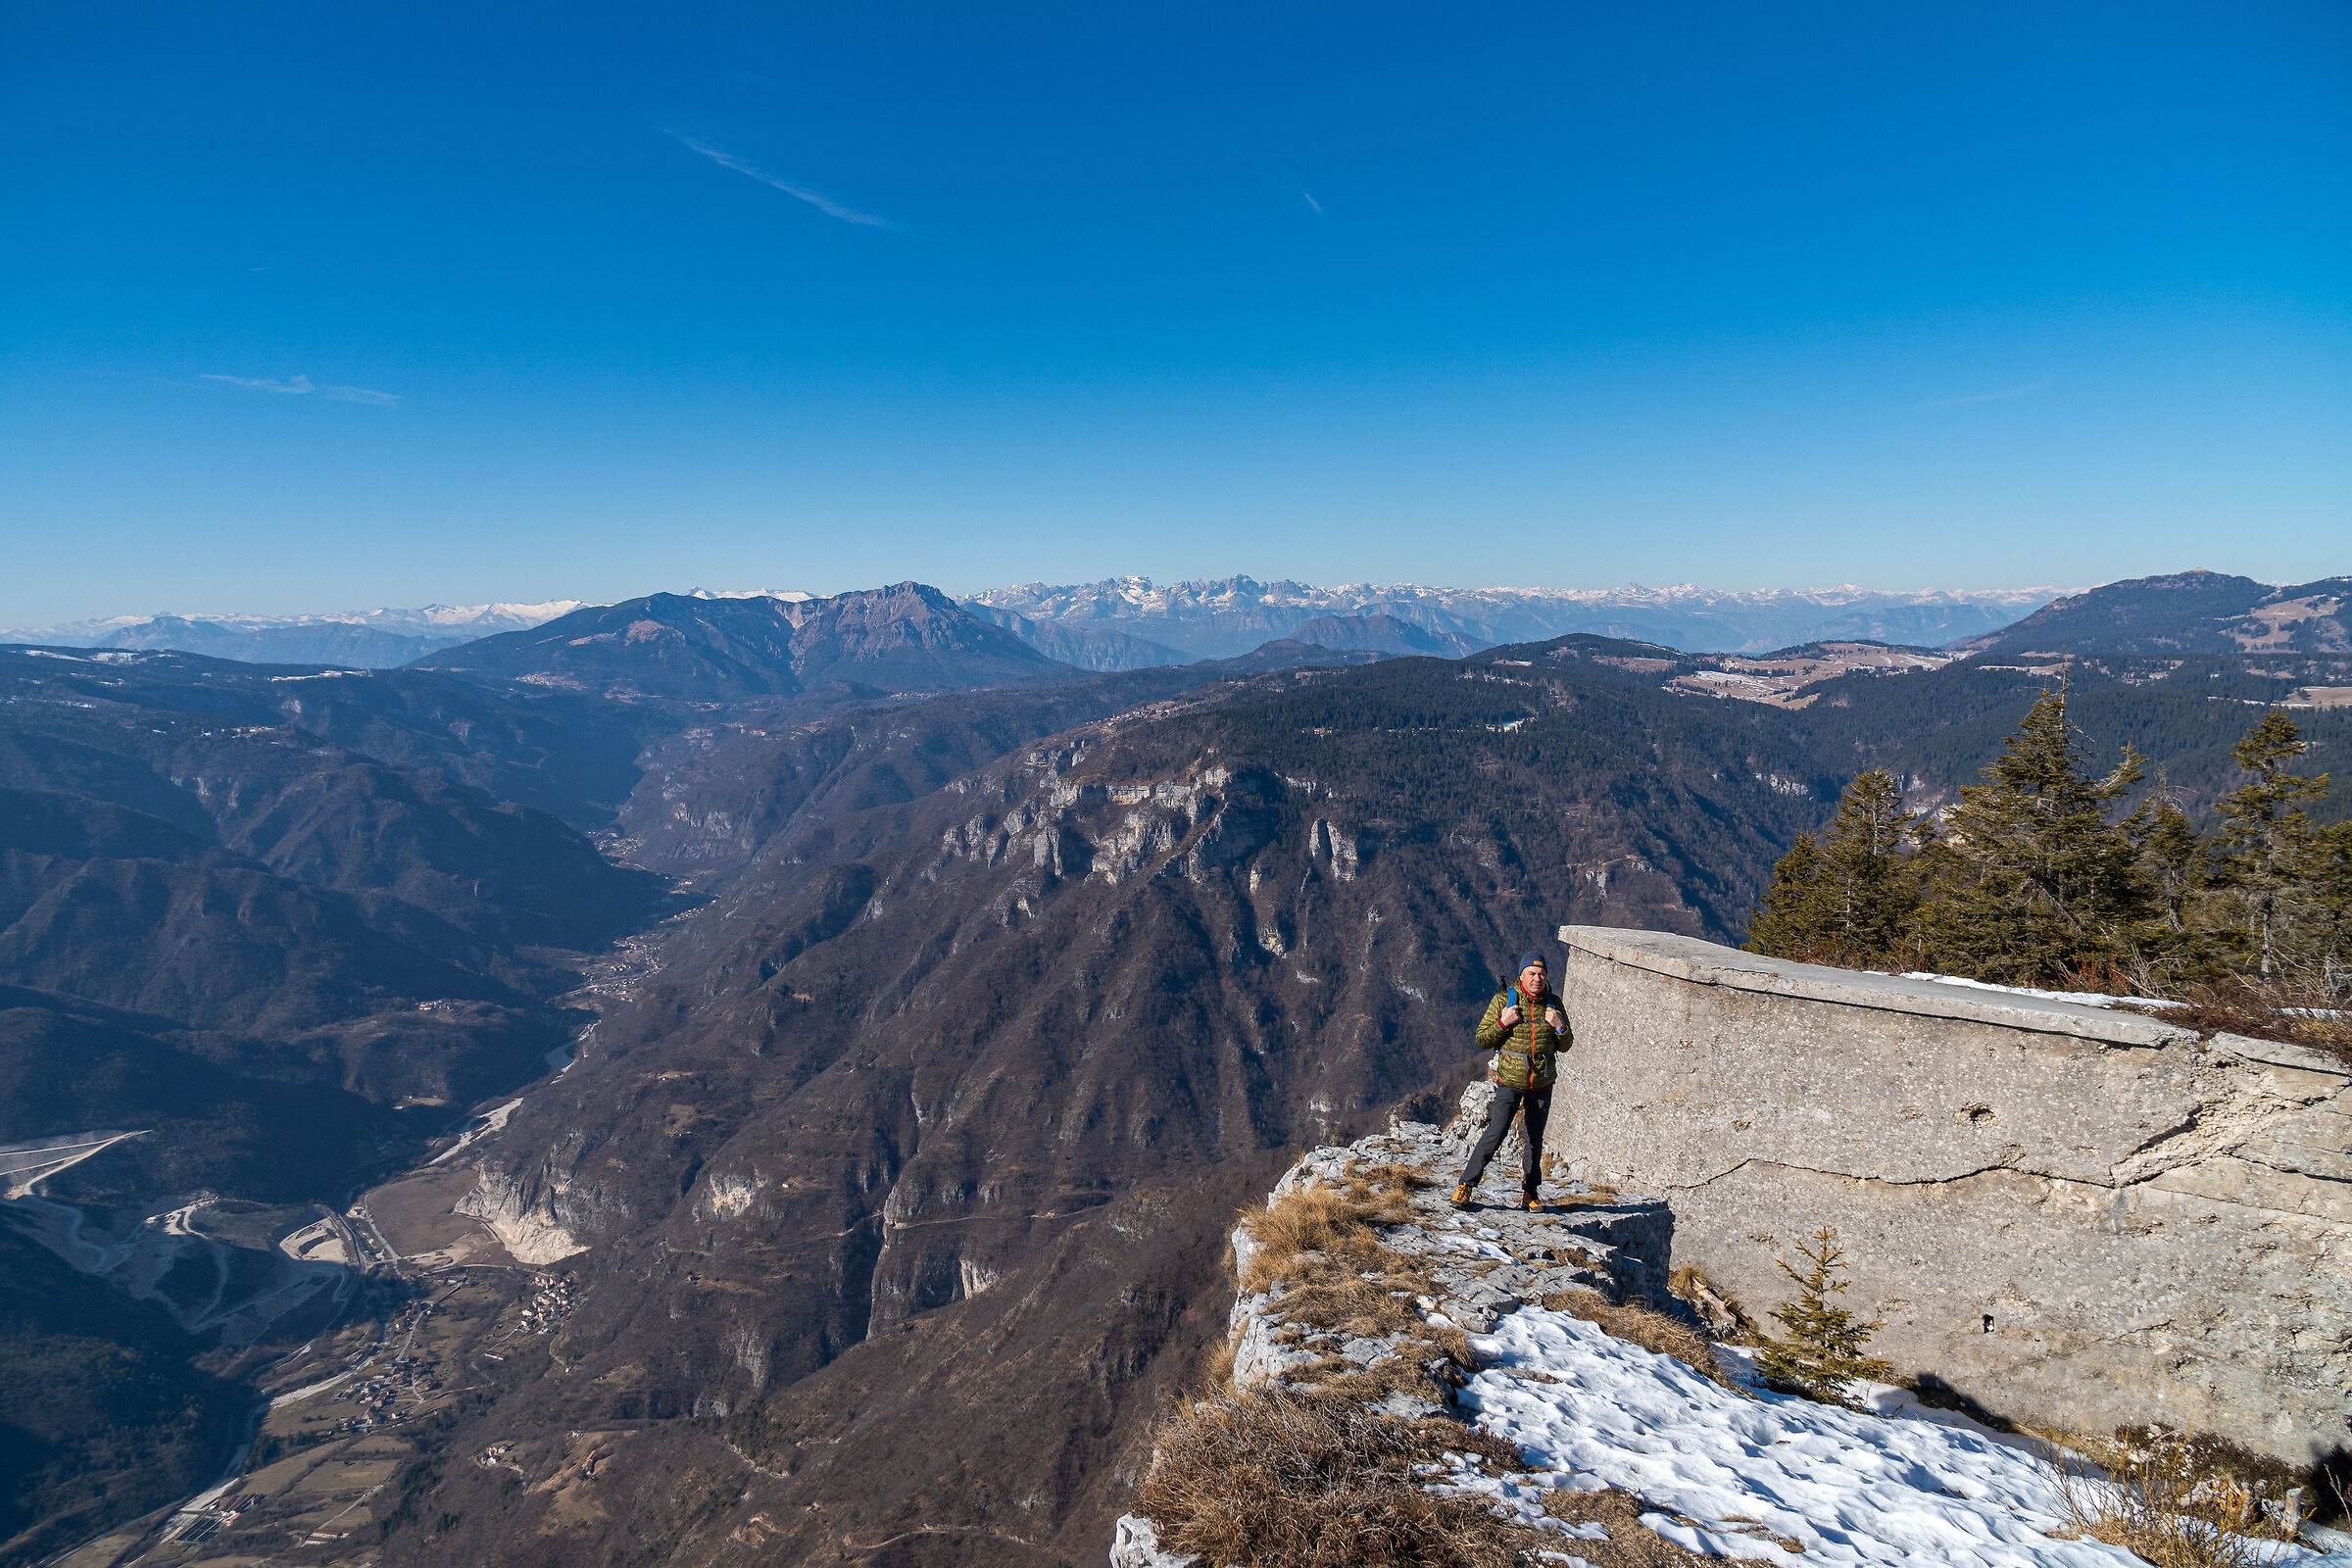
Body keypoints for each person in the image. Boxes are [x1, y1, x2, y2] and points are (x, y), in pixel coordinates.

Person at [1453, 950, 1570, 1210]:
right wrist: (1504, 1023)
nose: (1537, 978)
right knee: (1496, 1132)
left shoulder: (1554, 1005)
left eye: (1541, 974)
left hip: (1541, 1082)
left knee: (1534, 1139)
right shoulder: (1503, 1001)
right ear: (1522, 975)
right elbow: (1482, 1038)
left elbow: (1566, 1045)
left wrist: (1559, 1026)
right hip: (1510, 1080)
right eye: (1532, 973)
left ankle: (1530, 1193)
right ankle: (1466, 1185)